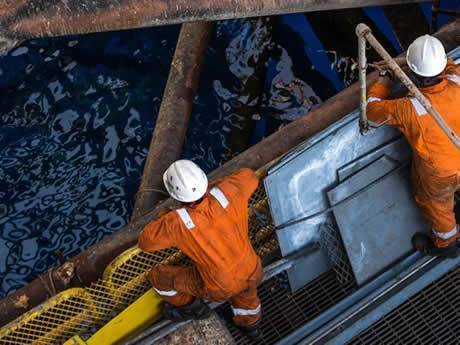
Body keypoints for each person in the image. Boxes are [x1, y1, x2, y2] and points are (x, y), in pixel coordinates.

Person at [138, 159, 263, 339]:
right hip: (252, 268)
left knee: (159, 277)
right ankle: (252, 328)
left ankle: (192, 308)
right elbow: (250, 176)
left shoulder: (176, 222)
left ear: (175, 194)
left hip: (219, 287)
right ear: (202, 177)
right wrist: (216, 187)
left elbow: (145, 242)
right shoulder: (229, 191)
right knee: (247, 294)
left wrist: (165, 215)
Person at [366, 34, 460, 258]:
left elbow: (371, 113)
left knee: (436, 205)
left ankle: (446, 245)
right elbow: (448, 65)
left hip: (440, 173)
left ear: (414, 76)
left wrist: (385, 79)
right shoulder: (457, 79)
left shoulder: (409, 108)